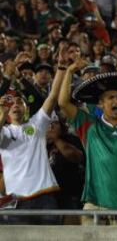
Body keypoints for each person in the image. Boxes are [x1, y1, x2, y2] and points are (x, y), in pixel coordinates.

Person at [58, 59, 117, 225]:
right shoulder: (89, 125)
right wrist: (69, 71)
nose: (116, 101)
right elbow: (62, 102)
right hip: (94, 205)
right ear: (100, 104)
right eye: (110, 98)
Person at [0, 59, 66, 225]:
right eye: (12, 103)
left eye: (20, 102)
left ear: (27, 109)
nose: (15, 105)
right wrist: (2, 111)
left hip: (46, 197)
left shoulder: (36, 124)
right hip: (16, 201)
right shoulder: (5, 131)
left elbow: (52, 97)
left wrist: (62, 68)